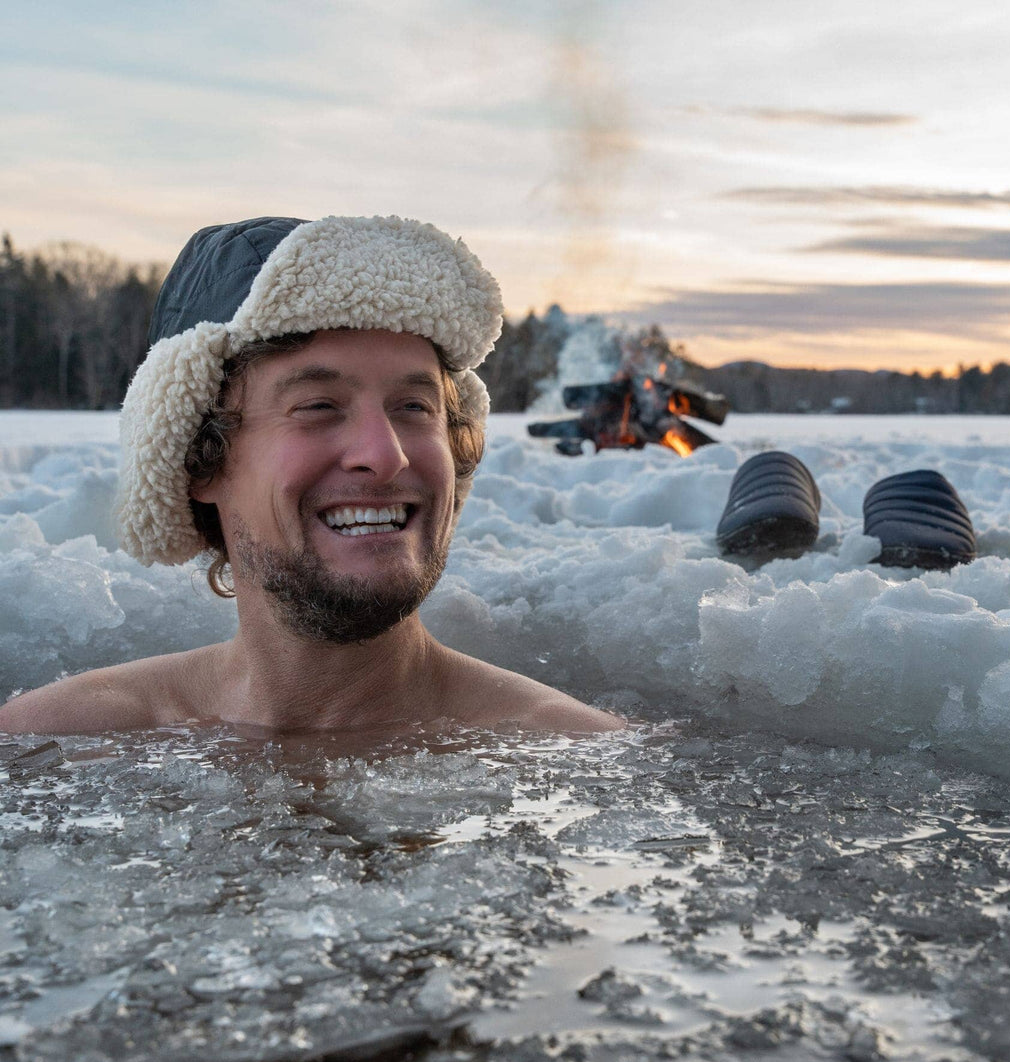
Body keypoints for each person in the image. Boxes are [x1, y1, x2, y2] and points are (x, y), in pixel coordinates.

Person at [0, 216, 621, 737]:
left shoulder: (571, 755)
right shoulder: (58, 741)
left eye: (415, 407)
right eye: (318, 406)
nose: (387, 455)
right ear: (199, 458)